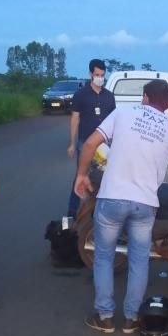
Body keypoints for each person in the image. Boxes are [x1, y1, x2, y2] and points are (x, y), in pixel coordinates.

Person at [74, 79, 168, 334]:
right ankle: (131, 319)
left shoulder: (123, 113)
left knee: (104, 256)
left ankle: (104, 317)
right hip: (145, 204)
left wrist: (82, 175)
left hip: (112, 198)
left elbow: (91, 144)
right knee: (139, 260)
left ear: (145, 97)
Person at [66, 59, 116, 217]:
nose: (100, 77)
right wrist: (72, 144)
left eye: (102, 75)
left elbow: (114, 120)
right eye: (97, 75)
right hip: (85, 143)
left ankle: (100, 212)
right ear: (90, 74)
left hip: (104, 144)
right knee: (81, 176)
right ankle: (71, 215)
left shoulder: (109, 96)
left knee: (105, 177)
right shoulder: (81, 95)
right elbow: (75, 119)